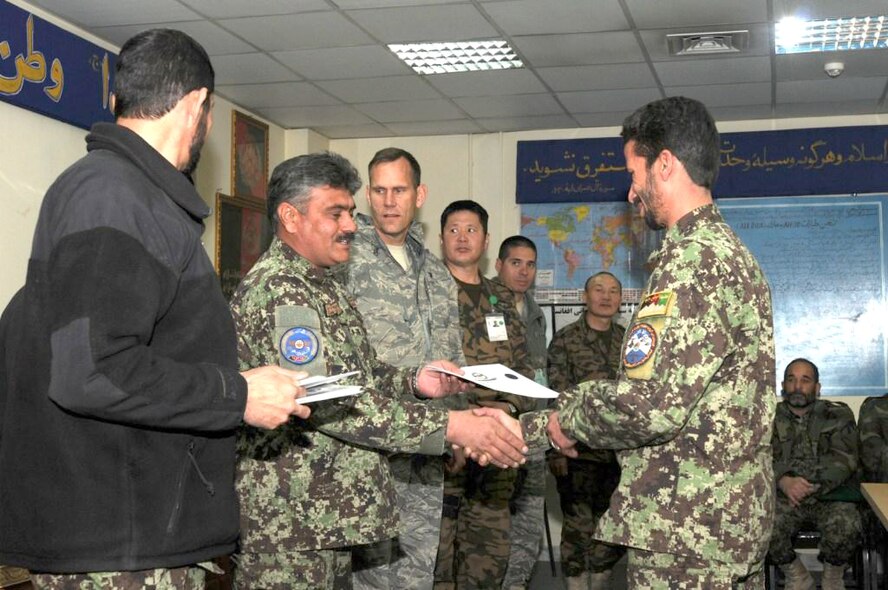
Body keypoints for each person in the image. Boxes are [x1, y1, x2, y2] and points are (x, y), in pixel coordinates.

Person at [0, 29, 308, 587]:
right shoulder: (114, 195)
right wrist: (238, 395)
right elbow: (92, 370)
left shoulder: (127, 194)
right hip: (118, 548)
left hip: (128, 532)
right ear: (197, 106)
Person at [230, 153, 528, 589]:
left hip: (325, 516)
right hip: (290, 523)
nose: (351, 225)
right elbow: (331, 403)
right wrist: (452, 426)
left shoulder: (321, 282)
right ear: (291, 217)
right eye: (336, 213)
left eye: (351, 212)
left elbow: (356, 376)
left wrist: (413, 381)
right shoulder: (282, 291)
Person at [538, 96, 776, 588]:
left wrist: (566, 416)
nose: (631, 193)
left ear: (664, 164)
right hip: (726, 523)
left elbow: (650, 406)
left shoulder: (690, 261)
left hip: (687, 531)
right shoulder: (731, 253)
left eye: (634, 173)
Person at [342, 147, 466, 590]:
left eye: (399, 190)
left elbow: (455, 355)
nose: (389, 201)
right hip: (368, 448)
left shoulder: (435, 272)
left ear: (419, 195)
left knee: (416, 571)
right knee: (371, 577)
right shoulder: (345, 260)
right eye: (379, 190)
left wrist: (461, 428)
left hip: (427, 447)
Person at [435, 200, 537, 589]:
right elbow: (419, 372)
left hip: (497, 447)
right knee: (437, 562)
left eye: (471, 230)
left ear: (486, 240)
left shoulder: (502, 300)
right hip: (446, 449)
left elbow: (524, 370)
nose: (462, 238)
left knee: (488, 563)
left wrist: (509, 407)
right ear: (442, 238)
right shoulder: (428, 294)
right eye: (454, 230)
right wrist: (457, 428)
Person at [546, 271, 627, 590]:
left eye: (613, 291)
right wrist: (555, 450)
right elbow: (555, 397)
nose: (606, 296)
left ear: (621, 300)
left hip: (620, 454)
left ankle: (601, 579)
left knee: (615, 528)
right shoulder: (566, 339)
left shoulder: (629, 342)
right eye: (598, 289)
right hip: (577, 450)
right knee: (579, 529)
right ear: (584, 296)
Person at [768, 358, 861, 590]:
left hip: (829, 494)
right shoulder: (767, 417)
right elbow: (757, 456)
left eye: (805, 380)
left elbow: (844, 460)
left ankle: (832, 575)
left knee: (847, 524)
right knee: (760, 523)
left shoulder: (837, 415)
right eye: (791, 380)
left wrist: (808, 484)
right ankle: (795, 573)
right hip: (784, 496)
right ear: (783, 385)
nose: (797, 386)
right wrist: (783, 480)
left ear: (817, 388)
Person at [494, 235, 548, 590]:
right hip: (497, 431)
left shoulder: (535, 313)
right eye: (516, 263)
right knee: (492, 527)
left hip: (534, 432)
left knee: (529, 527)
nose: (524, 272)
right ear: (499, 265)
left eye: (530, 264)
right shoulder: (484, 306)